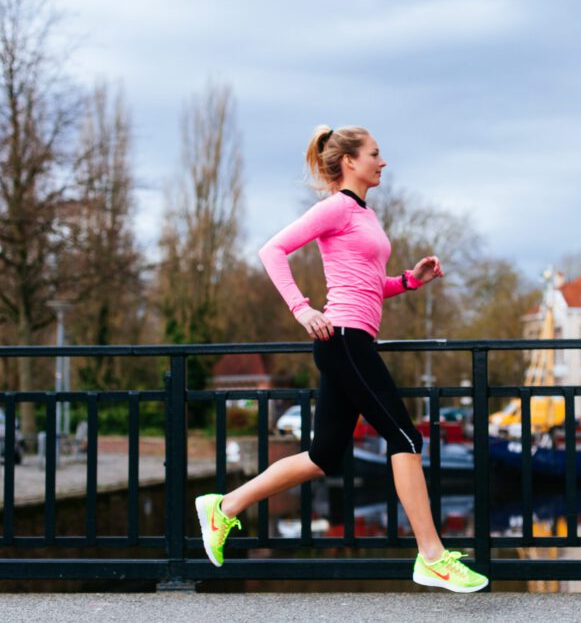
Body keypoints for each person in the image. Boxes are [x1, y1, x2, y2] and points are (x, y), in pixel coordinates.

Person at [194, 125, 488, 593]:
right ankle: (431, 557)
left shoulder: (362, 214)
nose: (382, 161)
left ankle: (224, 506)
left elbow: (368, 284)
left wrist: (409, 281)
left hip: (353, 340)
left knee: (320, 456)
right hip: (344, 339)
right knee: (406, 438)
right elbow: (272, 251)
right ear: (350, 160)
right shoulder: (334, 207)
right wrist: (302, 308)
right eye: (375, 153)